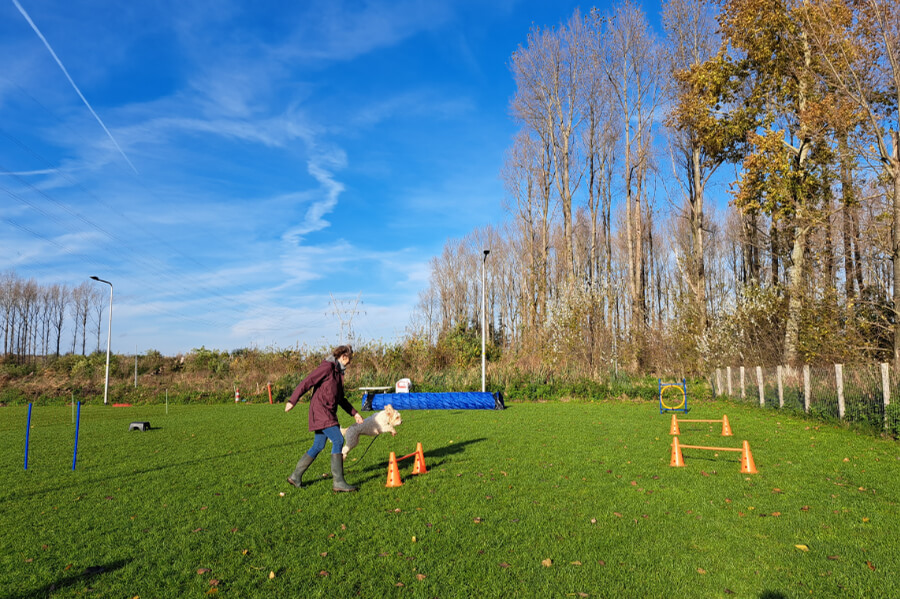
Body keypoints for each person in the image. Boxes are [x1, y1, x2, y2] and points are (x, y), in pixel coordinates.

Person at [284, 345, 364, 492]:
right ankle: (338, 482)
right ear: (344, 356)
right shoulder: (327, 367)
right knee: (338, 440)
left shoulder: (338, 373)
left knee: (318, 445)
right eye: (350, 358)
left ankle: (295, 477)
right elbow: (307, 382)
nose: (351, 362)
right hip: (321, 412)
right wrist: (292, 400)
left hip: (327, 412)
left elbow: (340, 398)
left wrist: (355, 413)